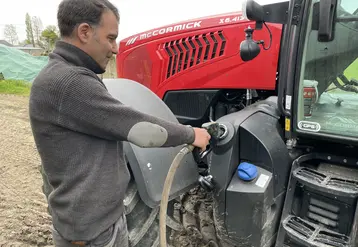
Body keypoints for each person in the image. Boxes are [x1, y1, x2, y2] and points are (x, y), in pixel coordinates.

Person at [28, 0, 211, 246]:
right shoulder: (69, 82)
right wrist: (191, 134)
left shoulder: (65, 74)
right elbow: (141, 129)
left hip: (95, 221)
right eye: (111, 38)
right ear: (84, 32)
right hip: (91, 233)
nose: (115, 49)